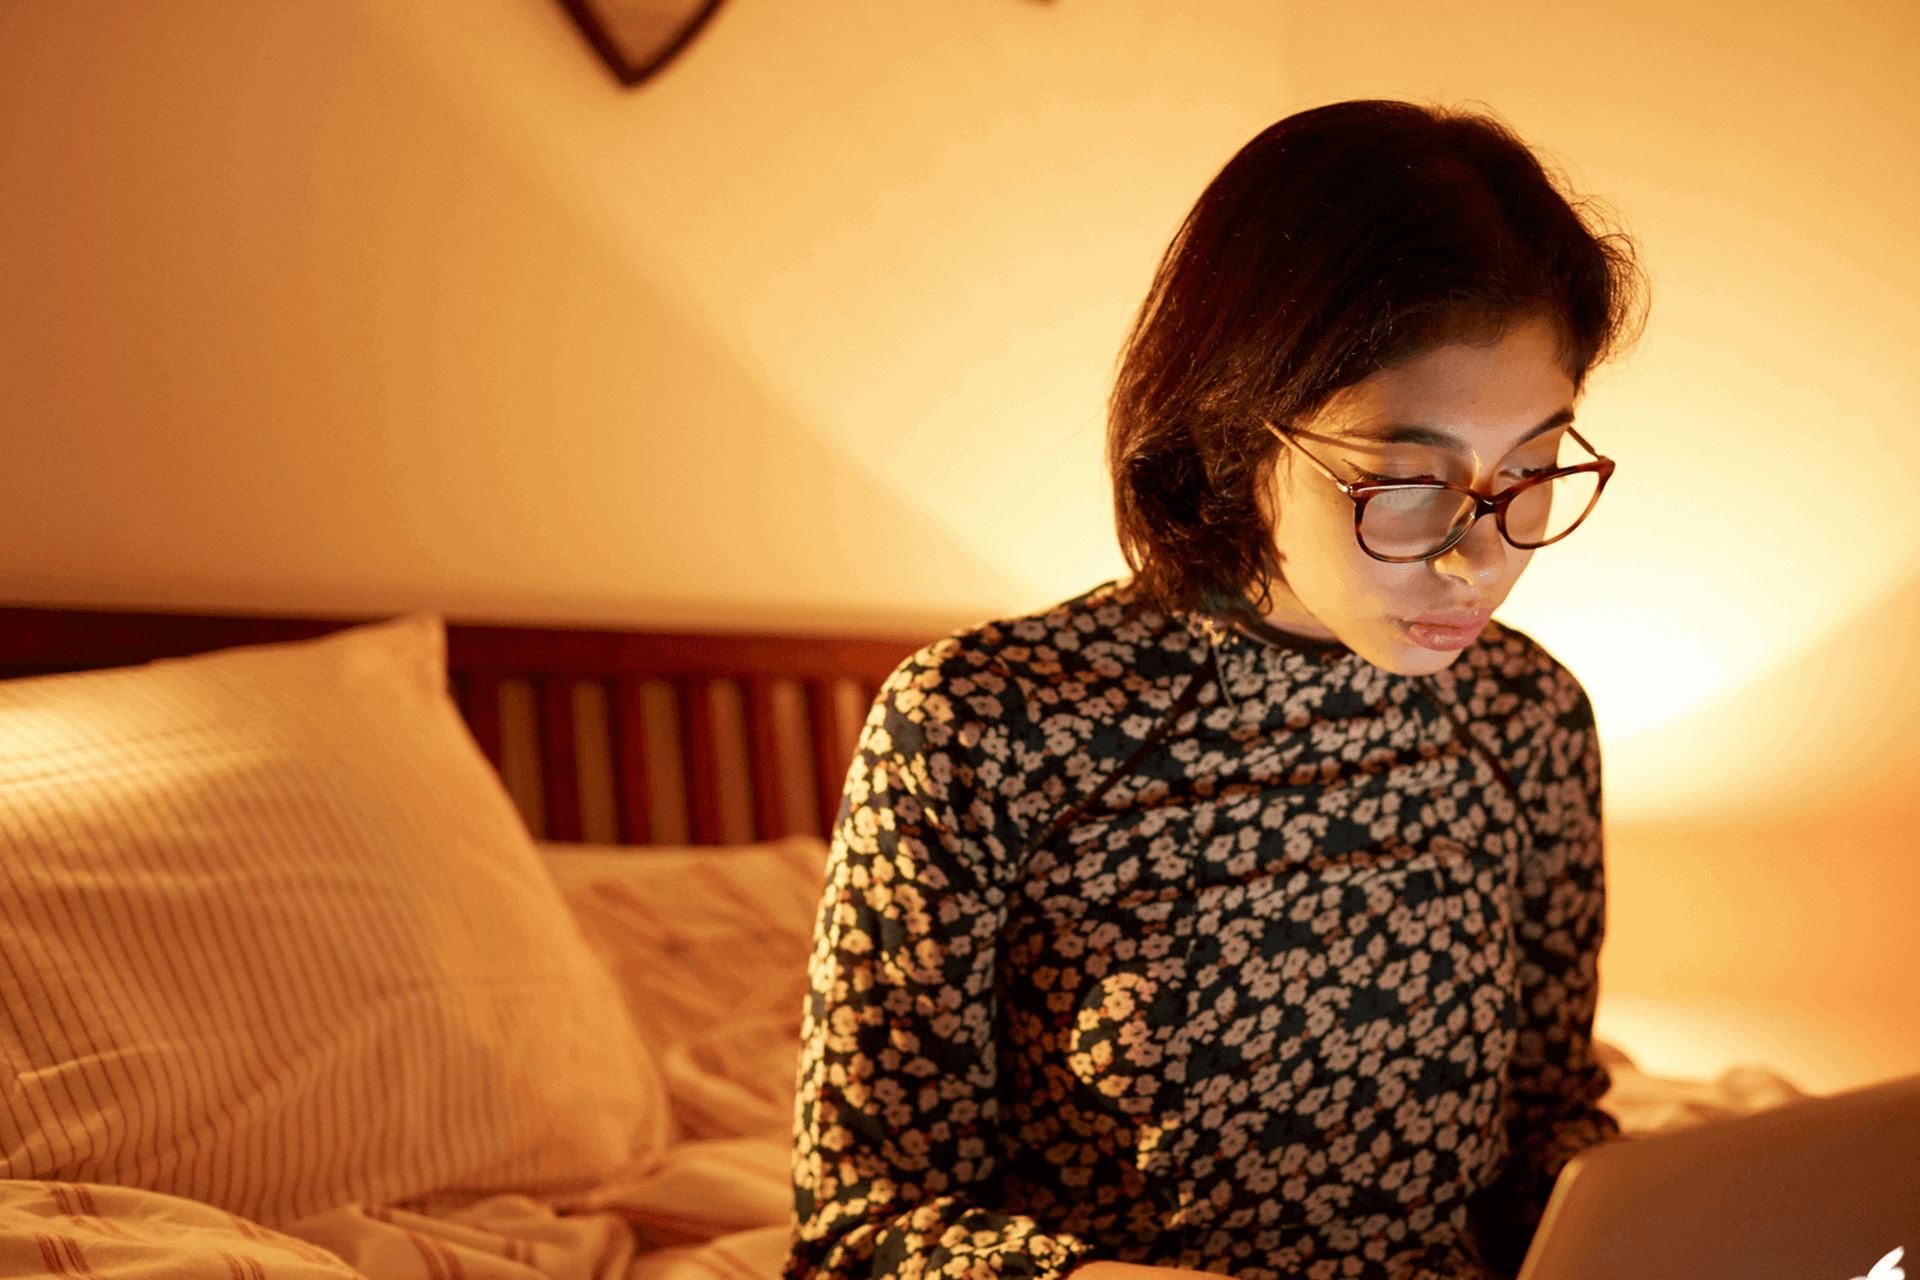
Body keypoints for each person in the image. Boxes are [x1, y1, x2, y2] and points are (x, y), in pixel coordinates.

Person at [786, 100, 1644, 1280]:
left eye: (1534, 468)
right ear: (1238, 434)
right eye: (1404, 476)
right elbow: (863, 1222)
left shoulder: (1527, 717)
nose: (1478, 553)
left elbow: (1546, 1129)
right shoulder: (982, 724)